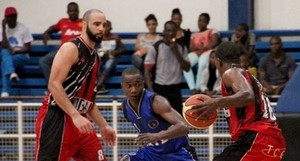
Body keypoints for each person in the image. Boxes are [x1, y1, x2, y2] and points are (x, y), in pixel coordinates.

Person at [35, 9, 116, 161]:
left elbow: (88, 101)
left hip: (81, 121)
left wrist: (103, 125)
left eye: (103, 25)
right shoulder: (71, 48)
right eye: (96, 24)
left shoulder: (95, 57)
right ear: (84, 25)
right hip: (57, 118)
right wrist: (74, 115)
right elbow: (54, 84)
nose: (101, 29)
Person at [192, 42, 286, 161]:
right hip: (269, 139)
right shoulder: (243, 74)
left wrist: (216, 102)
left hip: (258, 138)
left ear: (218, 61)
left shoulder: (231, 72)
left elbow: (248, 95)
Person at [120, 67, 196, 161]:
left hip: (175, 152)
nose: (133, 90)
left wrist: (157, 136)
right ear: (122, 86)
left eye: (137, 85)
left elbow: (184, 127)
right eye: (129, 86)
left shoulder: (157, 102)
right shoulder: (125, 107)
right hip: (151, 153)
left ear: (143, 84)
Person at [144, 20, 190, 115]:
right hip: (159, 87)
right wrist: (151, 92)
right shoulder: (156, 47)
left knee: (178, 119)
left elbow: (187, 68)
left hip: (175, 88)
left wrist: (176, 52)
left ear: (176, 32)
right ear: (164, 31)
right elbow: (147, 71)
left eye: (173, 31)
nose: (170, 33)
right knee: (159, 118)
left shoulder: (182, 47)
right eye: (168, 31)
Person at [39, 2, 82, 84]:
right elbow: (53, 28)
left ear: (78, 11)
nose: (73, 13)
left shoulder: (83, 23)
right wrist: (47, 32)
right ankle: (53, 87)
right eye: (71, 11)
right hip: (62, 52)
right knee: (43, 61)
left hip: (77, 53)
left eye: (75, 11)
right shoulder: (63, 21)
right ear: (68, 12)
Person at [183, 13, 219, 94]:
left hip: (207, 51)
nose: (201, 23)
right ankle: (193, 88)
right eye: (199, 20)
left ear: (207, 22)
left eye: (204, 21)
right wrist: (197, 48)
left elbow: (214, 42)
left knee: (202, 63)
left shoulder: (212, 31)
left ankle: (198, 88)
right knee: (185, 64)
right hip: (196, 53)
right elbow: (191, 48)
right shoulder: (194, 34)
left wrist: (204, 48)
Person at [0, 7, 33, 97]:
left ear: (17, 16)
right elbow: (3, 44)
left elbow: (28, 48)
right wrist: (3, 28)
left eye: (13, 16)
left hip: (21, 55)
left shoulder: (24, 28)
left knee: (4, 62)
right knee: (4, 52)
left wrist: (16, 51)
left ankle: (5, 91)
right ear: (5, 18)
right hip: (8, 53)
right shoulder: (2, 29)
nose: (12, 18)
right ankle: (12, 73)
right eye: (9, 16)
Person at [96, 20, 126, 94]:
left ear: (111, 28)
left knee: (108, 64)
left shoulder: (115, 37)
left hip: (112, 57)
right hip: (102, 58)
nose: (105, 29)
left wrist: (115, 52)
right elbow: (95, 49)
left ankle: (99, 85)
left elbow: (123, 48)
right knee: (97, 64)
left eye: (107, 27)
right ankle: (102, 86)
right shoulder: (99, 38)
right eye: (104, 27)